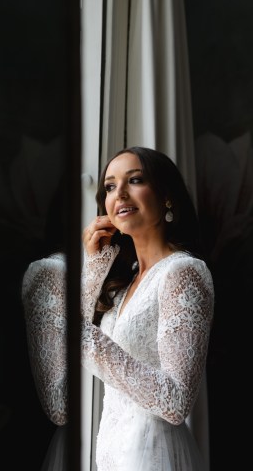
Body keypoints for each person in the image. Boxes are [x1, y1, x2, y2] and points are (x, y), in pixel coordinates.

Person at [22, 146, 214, 471]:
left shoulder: (183, 272)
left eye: (135, 180)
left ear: (167, 196)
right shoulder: (124, 281)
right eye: (110, 186)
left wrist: (85, 337)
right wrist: (96, 266)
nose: (120, 193)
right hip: (111, 452)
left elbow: (176, 400)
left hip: (154, 454)